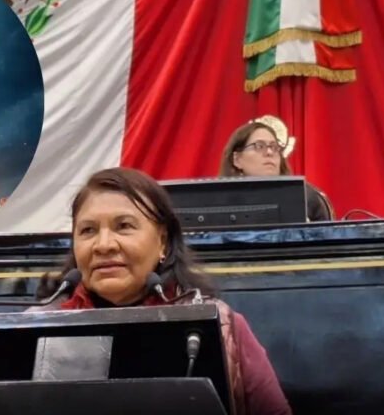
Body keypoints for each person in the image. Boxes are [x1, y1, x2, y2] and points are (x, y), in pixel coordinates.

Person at [36, 167, 291, 415]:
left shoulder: (223, 326)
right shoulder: (36, 328)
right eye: (88, 230)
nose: (103, 245)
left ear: (163, 242)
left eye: (124, 226)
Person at [219, 118, 334, 222]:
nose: (269, 152)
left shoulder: (307, 197)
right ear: (237, 159)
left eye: (274, 147)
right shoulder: (220, 200)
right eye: (259, 146)